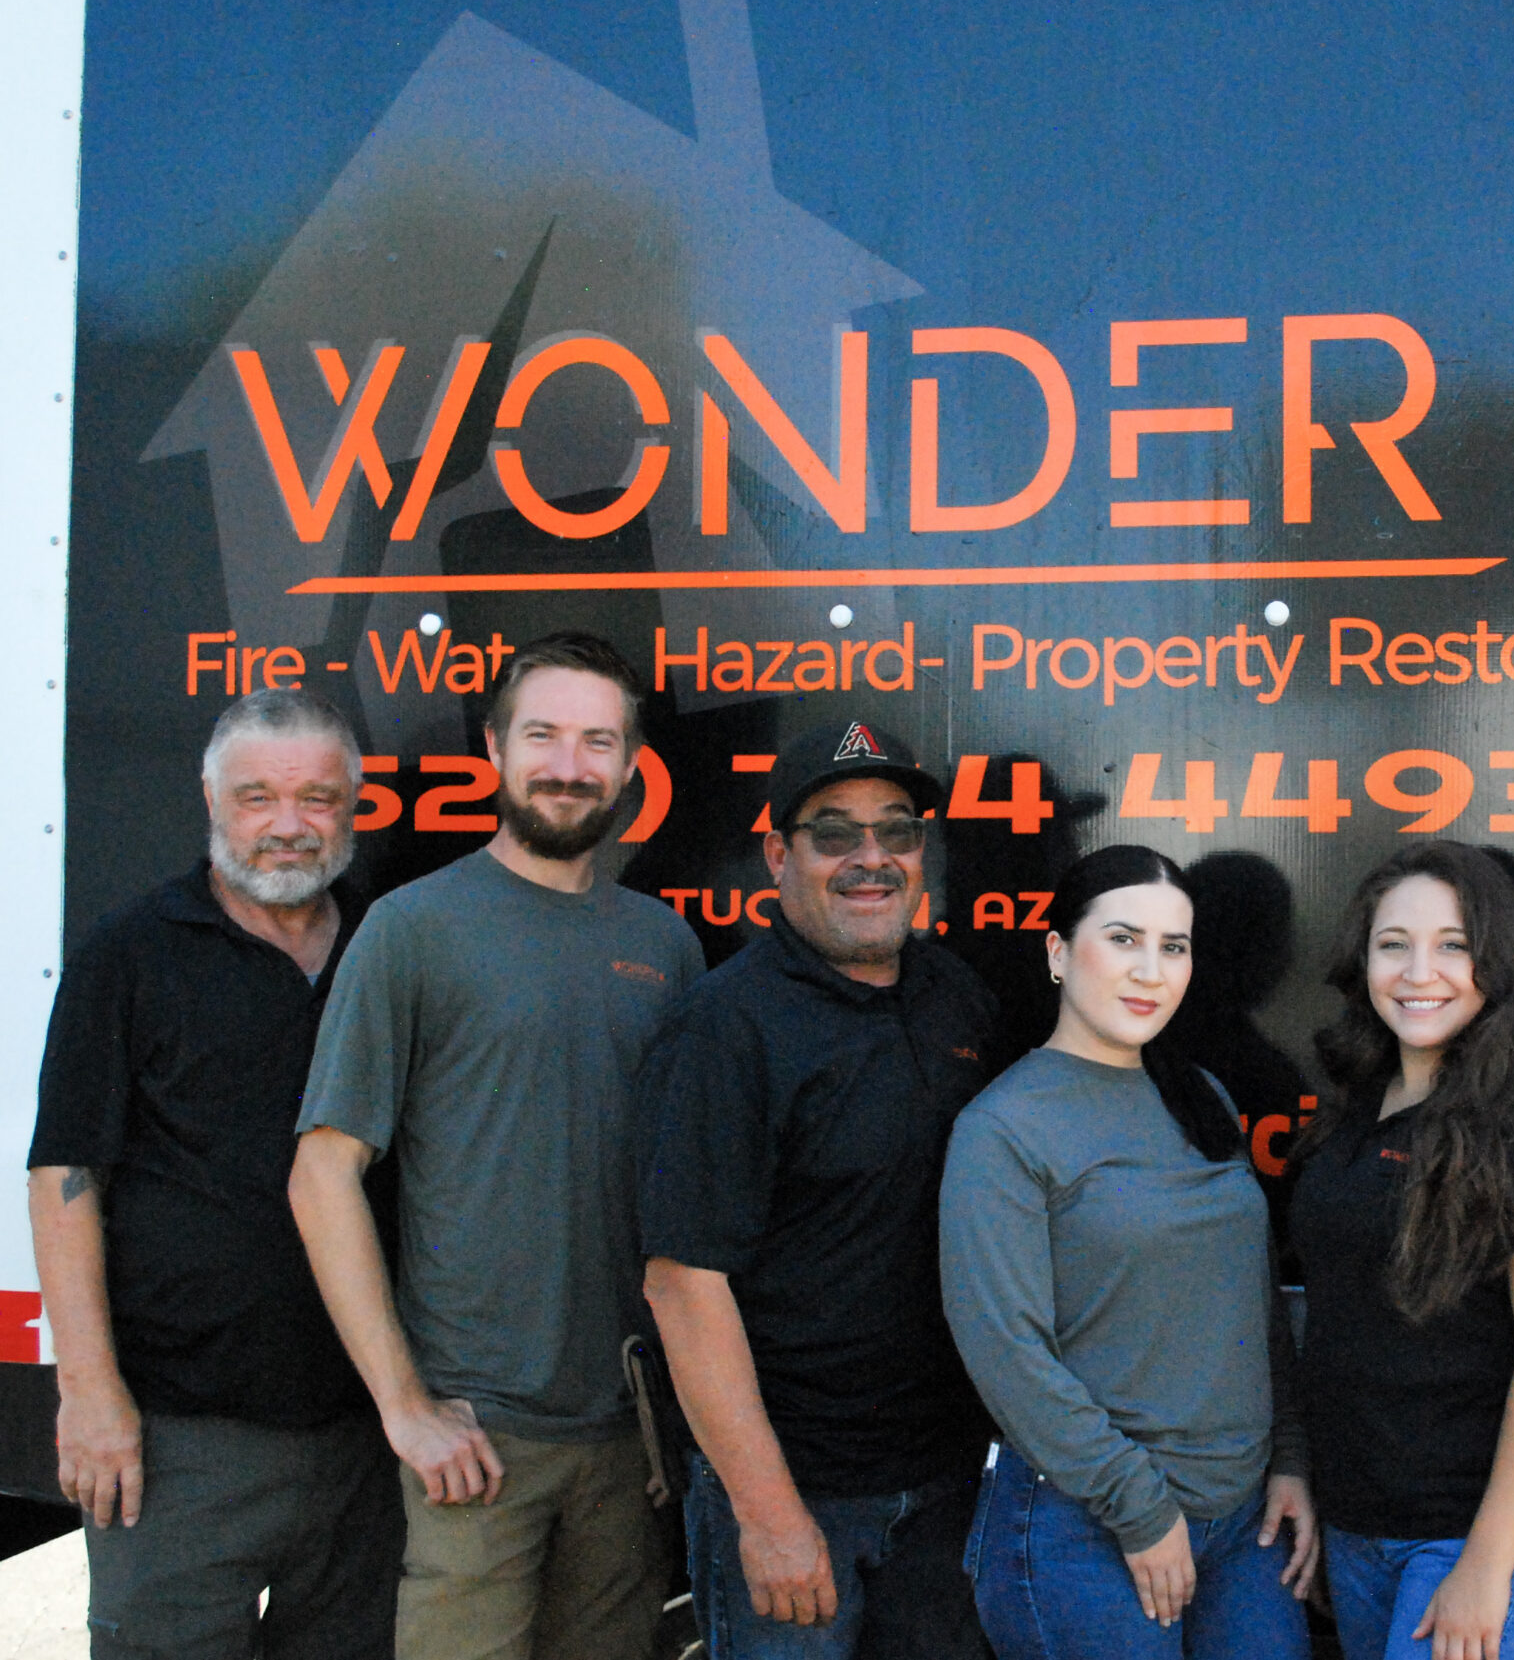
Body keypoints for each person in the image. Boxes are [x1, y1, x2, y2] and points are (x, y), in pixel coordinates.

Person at [289, 631, 705, 1660]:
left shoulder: (666, 944)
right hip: (475, 1440)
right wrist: (406, 1405)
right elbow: (322, 1171)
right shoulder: (412, 927)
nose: (569, 765)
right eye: (544, 735)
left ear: (628, 764)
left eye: (598, 740)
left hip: (629, 1439)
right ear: (494, 749)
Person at [26, 689, 403, 1659]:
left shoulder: (386, 947)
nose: (288, 826)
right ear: (209, 800)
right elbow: (65, 1175)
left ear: (355, 804)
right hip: (178, 1441)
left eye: (318, 798)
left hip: (363, 1441)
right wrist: (90, 1391)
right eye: (257, 798)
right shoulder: (130, 953)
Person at [636, 717, 1002, 1658]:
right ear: (776, 855)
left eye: (897, 830)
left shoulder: (957, 996)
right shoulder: (726, 1027)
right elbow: (684, 1283)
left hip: (947, 1489)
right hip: (797, 1493)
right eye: (834, 832)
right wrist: (768, 1515)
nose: (870, 858)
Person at [939, 844, 1318, 1659]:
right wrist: (1141, 1510)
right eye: (1122, 938)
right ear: (1056, 951)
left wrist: (1287, 1453)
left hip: (1244, 1520)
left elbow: (1250, 1300)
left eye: (1173, 946)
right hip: (1089, 1525)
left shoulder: (1201, 1096)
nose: (1151, 969)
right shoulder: (1003, 1128)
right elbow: (1007, 1350)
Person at [1292, 841, 1514, 1660]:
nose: (1418, 970)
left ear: (1497, 961)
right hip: (1361, 1521)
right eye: (1393, 943)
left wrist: (1486, 1564)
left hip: (1485, 1530)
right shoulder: (1358, 1105)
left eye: (1453, 945)